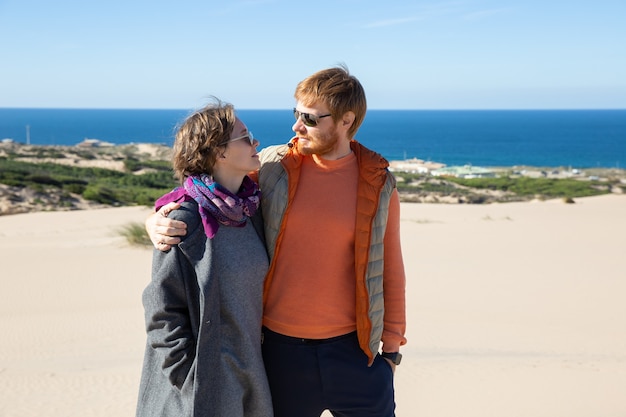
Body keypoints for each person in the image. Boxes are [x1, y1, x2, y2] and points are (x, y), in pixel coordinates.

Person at [147, 67, 407, 417]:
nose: (297, 126)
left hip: (355, 352)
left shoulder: (378, 183)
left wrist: (390, 352)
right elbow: (206, 188)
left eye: (310, 119)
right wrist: (157, 217)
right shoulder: (271, 167)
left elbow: (390, 267)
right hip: (279, 356)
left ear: (347, 120)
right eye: (296, 114)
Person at [136, 99, 273, 417]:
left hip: (252, 377)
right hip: (205, 386)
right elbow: (161, 311)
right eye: (245, 136)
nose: (255, 142)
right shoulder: (183, 219)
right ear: (218, 151)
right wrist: (189, 377)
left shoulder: (249, 211)